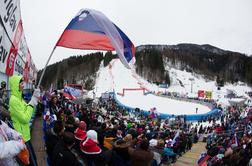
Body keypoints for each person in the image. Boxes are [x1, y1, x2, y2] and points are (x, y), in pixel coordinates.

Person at [9, 75, 41, 166]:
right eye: (21, 83)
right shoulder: (13, 100)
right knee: (30, 162)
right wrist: (32, 101)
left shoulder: (19, 98)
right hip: (22, 138)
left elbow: (27, 109)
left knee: (33, 159)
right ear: (16, 85)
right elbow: (25, 119)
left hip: (26, 135)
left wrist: (33, 101)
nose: (23, 85)